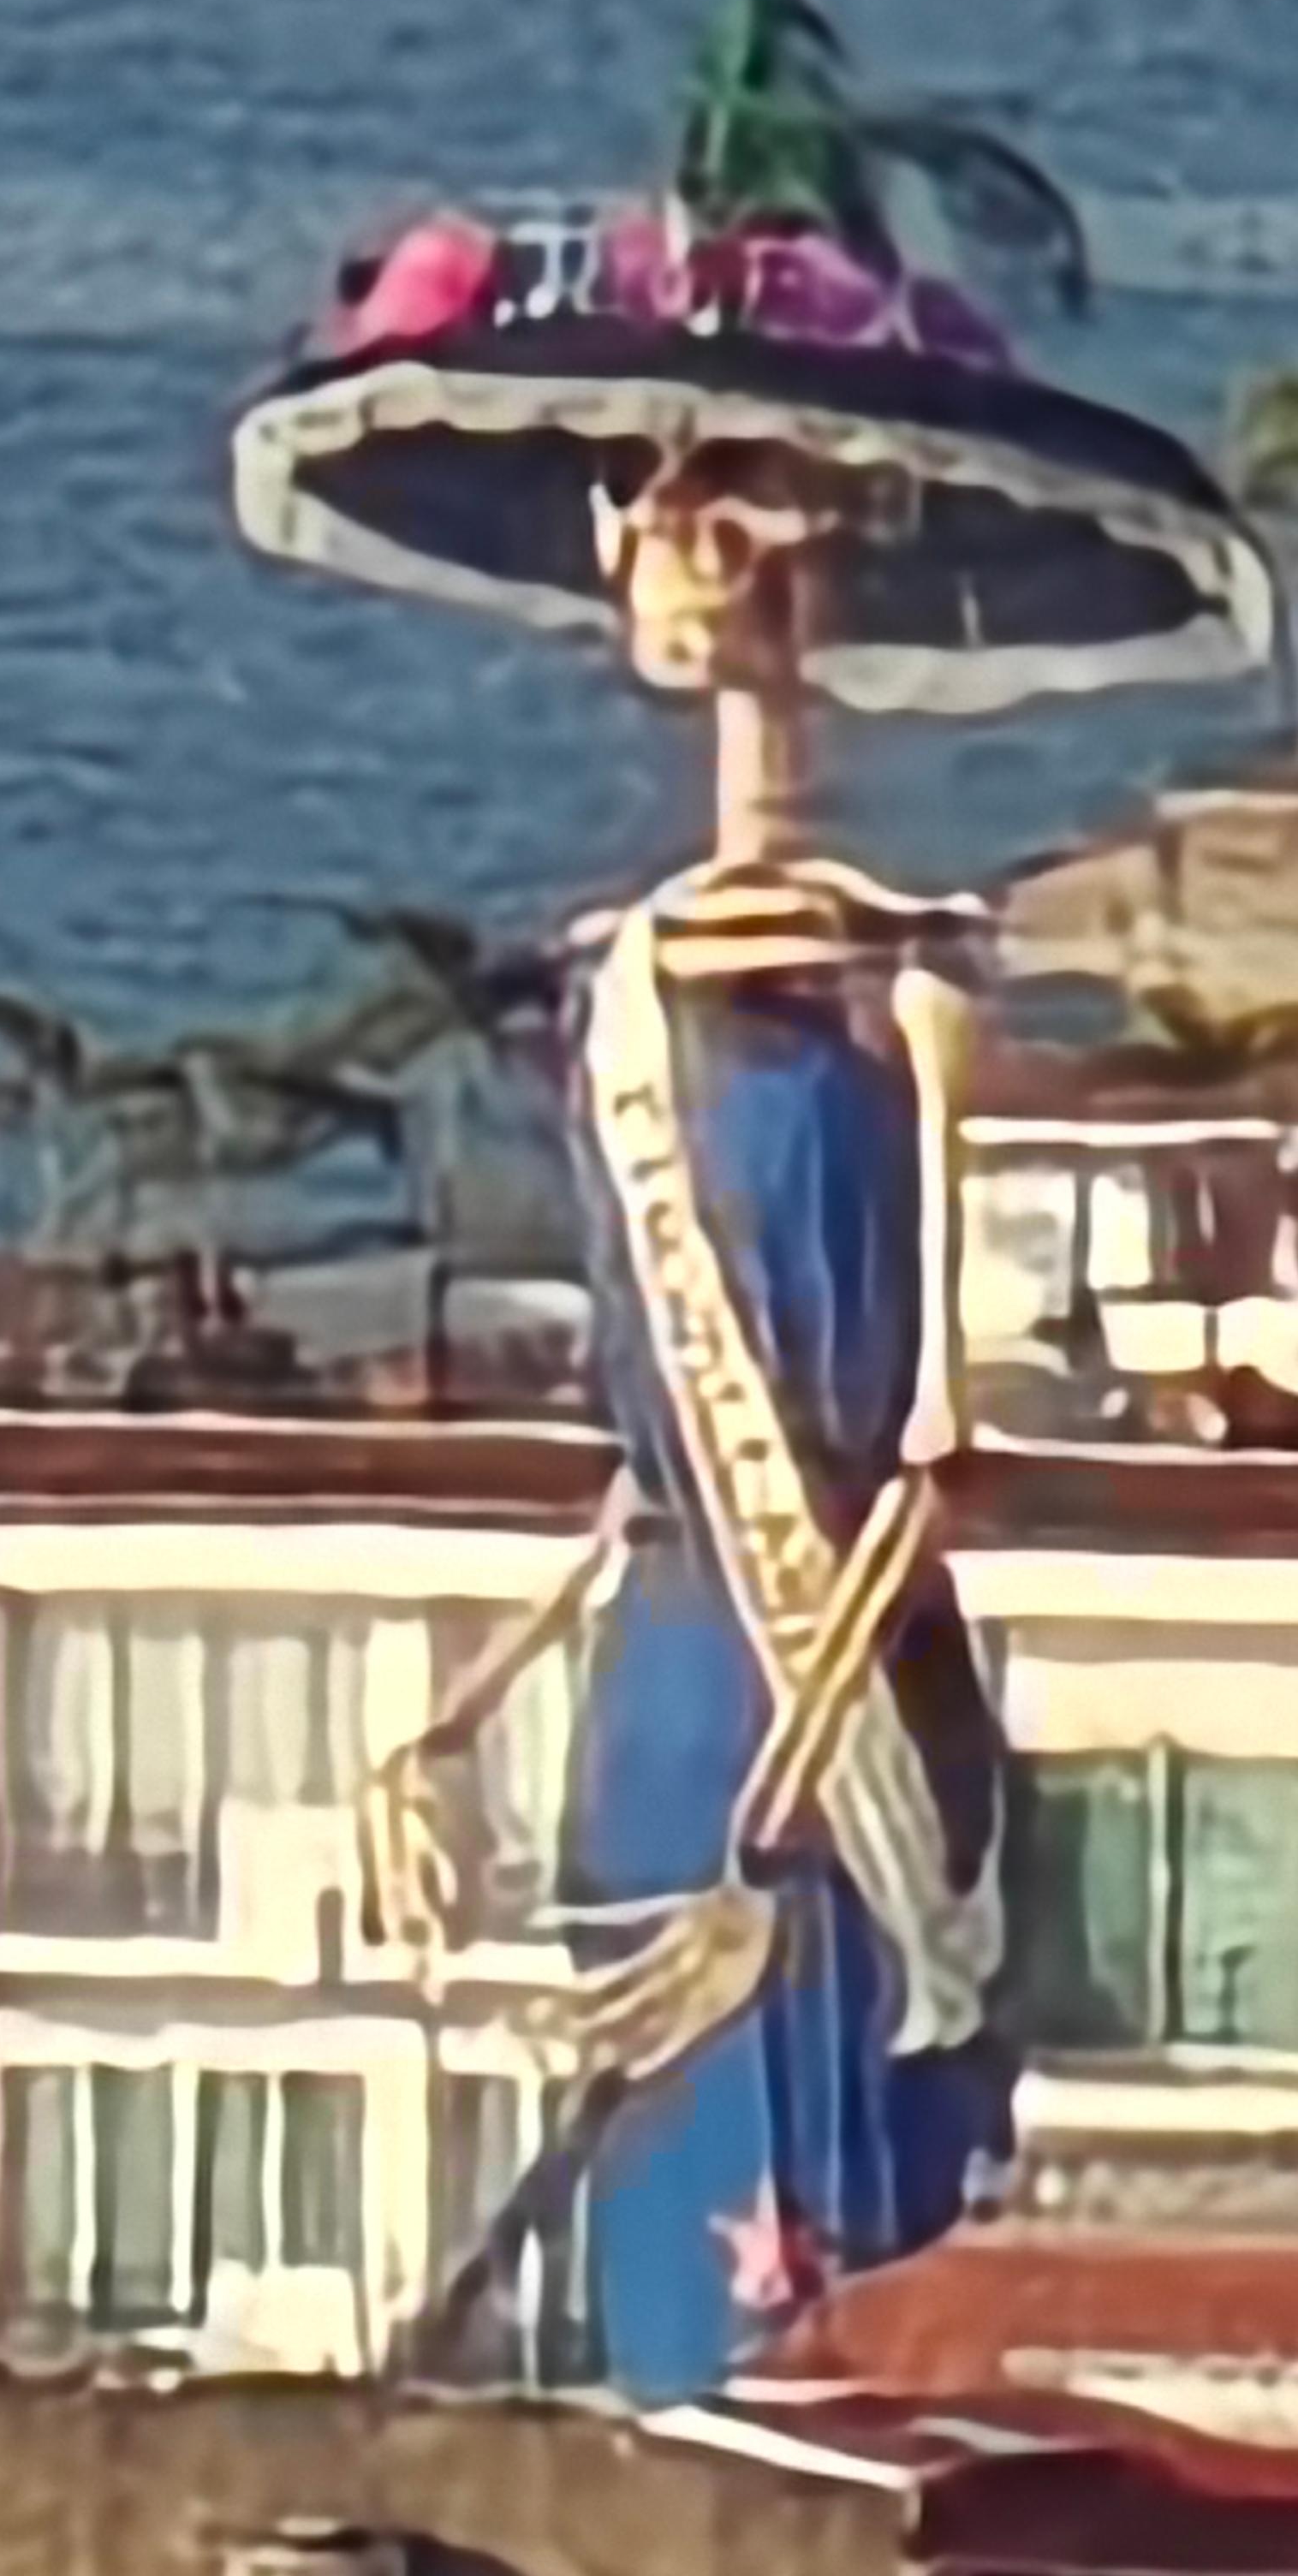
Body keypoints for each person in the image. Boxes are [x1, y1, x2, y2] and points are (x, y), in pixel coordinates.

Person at [372, 443, 1017, 2407]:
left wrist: (785, 1790)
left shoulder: (894, 1006)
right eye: (640, 509)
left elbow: (922, 1447)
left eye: (719, 518)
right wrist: (461, 1711)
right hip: (673, 1659)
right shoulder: (642, 992)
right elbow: (633, 1463)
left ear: (811, 564)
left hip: (829, 1702)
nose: (664, 557)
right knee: (673, 2260)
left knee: (835, 2261)